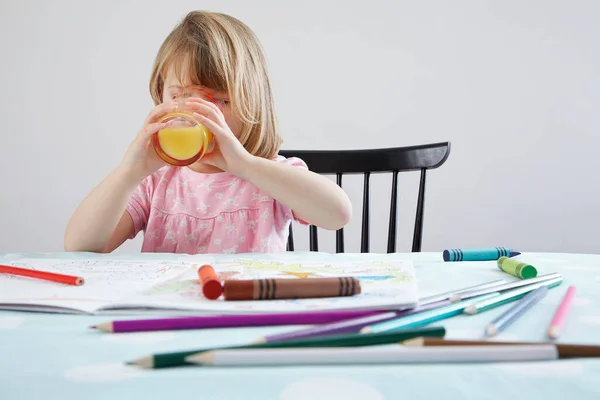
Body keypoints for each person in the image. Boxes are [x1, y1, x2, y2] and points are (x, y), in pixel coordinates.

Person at [64, 10, 352, 254]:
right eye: (180, 95)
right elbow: (80, 248)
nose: (197, 112)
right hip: (171, 313)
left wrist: (245, 164)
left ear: (252, 104)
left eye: (221, 101)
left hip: (245, 312)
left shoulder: (268, 175)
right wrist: (128, 172)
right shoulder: (155, 182)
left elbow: (337, 214)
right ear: (161, 97)